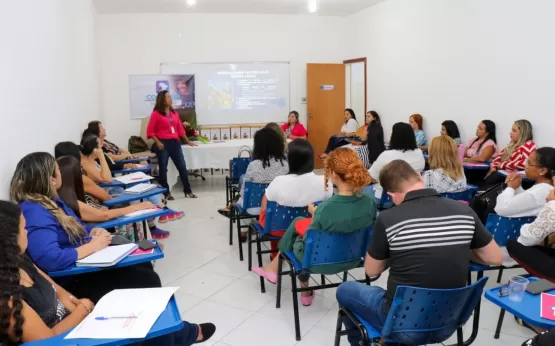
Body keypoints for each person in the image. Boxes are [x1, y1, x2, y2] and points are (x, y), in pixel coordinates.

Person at [0, 200, 216, 345]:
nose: (28, 232)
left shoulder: (21, 260)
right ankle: (186, 333)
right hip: (67, 337)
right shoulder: (5, 297)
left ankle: (184, 331)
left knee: (143, 313)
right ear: (8, 239)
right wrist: (83, 309)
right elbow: (48, 340)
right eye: (23, 228)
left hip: (77, 321)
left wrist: (78, 306)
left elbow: (59, 292)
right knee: (156, 337)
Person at [336, 160, 503, 346]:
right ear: (420, 177)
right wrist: (459, 245)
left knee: (345, 290)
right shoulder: (465, 211)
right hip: (449, 323)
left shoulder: (388, 218)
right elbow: (494, 258)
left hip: (403, 327)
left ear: (391, 195)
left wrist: (397, 249)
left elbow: (372, 271)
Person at [11, 152, 163, 303]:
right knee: (147, 279)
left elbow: (78, 226)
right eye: (58, 170)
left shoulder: (53, 201)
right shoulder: (34, 211)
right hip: (73, 280)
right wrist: (94, 246)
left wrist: (94, 231)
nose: (61, 174)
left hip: (87, 264)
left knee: (142, 264)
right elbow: (51, 259)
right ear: (51, 179)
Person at [252, 148, 377, 306]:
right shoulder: (369, 201)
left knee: (297, 236)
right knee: (299, 222)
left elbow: (313, 236)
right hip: (355, 258)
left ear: (333, 175)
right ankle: (300, 288)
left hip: (318, 261)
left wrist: (314, 214)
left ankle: (288, 278)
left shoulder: (326, 208)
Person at [57, 156, 163, 242]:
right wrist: (136, 207)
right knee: (133, 214)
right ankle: (143, 249)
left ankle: (147, 241)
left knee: (136, 204)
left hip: (99, 216)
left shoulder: (67, 196)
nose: (83, 170)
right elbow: (104, 213)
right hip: (99, 224)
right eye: (80, 169)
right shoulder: (71, 201)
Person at [258, 139, 334, 255]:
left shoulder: (279, 181)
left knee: (269, 214)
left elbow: (264, 206)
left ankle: (275, 254)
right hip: (310, 227)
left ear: (290, 160)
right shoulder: (325, 181)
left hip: (277, 228)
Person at [217, 128, 289, 239]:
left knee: (244, 201)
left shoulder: (254, 165)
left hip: (254, 208)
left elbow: (245, 190)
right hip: (280, 207)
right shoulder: (285, 163)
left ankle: (243, 233)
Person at [147, 90, 198, 199]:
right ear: (163, 100)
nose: (171, 99)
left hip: (175, 143)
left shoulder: (174, 113)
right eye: (168, 97)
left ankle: (187, 190)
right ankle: (166, 192)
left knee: (182, 167)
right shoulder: (156, 114)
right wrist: (158, 142)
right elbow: (150, 131)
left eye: (170, 97)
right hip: (163, 144)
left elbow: (180, 128)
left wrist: (187, 140)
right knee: (163, 168)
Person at [494, 148, 555, 217]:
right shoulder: (546, 188)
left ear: (543, 171)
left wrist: (510, 188)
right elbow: (524, 201)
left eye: (529, 163)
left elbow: (501, 209)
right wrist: (517, 187)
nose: (525, 166)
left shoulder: (540, 191)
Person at [481, 119, 536, 189]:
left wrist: (503, 164)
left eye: (514, 131)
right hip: (503, 175)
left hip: (516, 179)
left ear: (523, 133)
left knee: (487, 183)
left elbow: (525, 163)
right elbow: (498, 157)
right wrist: (494, 167)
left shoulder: (529, 145)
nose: (510, 133)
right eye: (511, 130)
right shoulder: (512, 144)